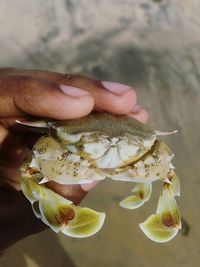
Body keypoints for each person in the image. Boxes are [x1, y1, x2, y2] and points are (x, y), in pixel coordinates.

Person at [0, 68, 148, 253]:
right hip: (67, 139)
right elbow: (30, 169)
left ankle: (153, 195)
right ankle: (51, 203)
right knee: (32, 168)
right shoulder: (50, 141)